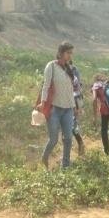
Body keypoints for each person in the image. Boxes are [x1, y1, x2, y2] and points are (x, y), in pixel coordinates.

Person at [38, 42, 77, 170]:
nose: (70, 55)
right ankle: (44, 158)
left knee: (68, 138)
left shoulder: (70, 68)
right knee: (54, 139)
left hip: (68, 109)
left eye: (71, 53)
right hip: (54, 109)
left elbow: (73, 89)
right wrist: (43, 102)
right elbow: (46, 86)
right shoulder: (51, 66)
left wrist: (76, 106)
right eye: (68, 53)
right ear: (60, 53)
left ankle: (65, 165)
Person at [69, 59, 86, 156]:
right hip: (72, 102)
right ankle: (79, 144)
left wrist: (77, 107)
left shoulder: (73, 73)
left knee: (72, 125)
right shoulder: (73, 71)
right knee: (70, 125)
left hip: (73, 102)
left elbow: (77, 90)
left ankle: (80, 143)